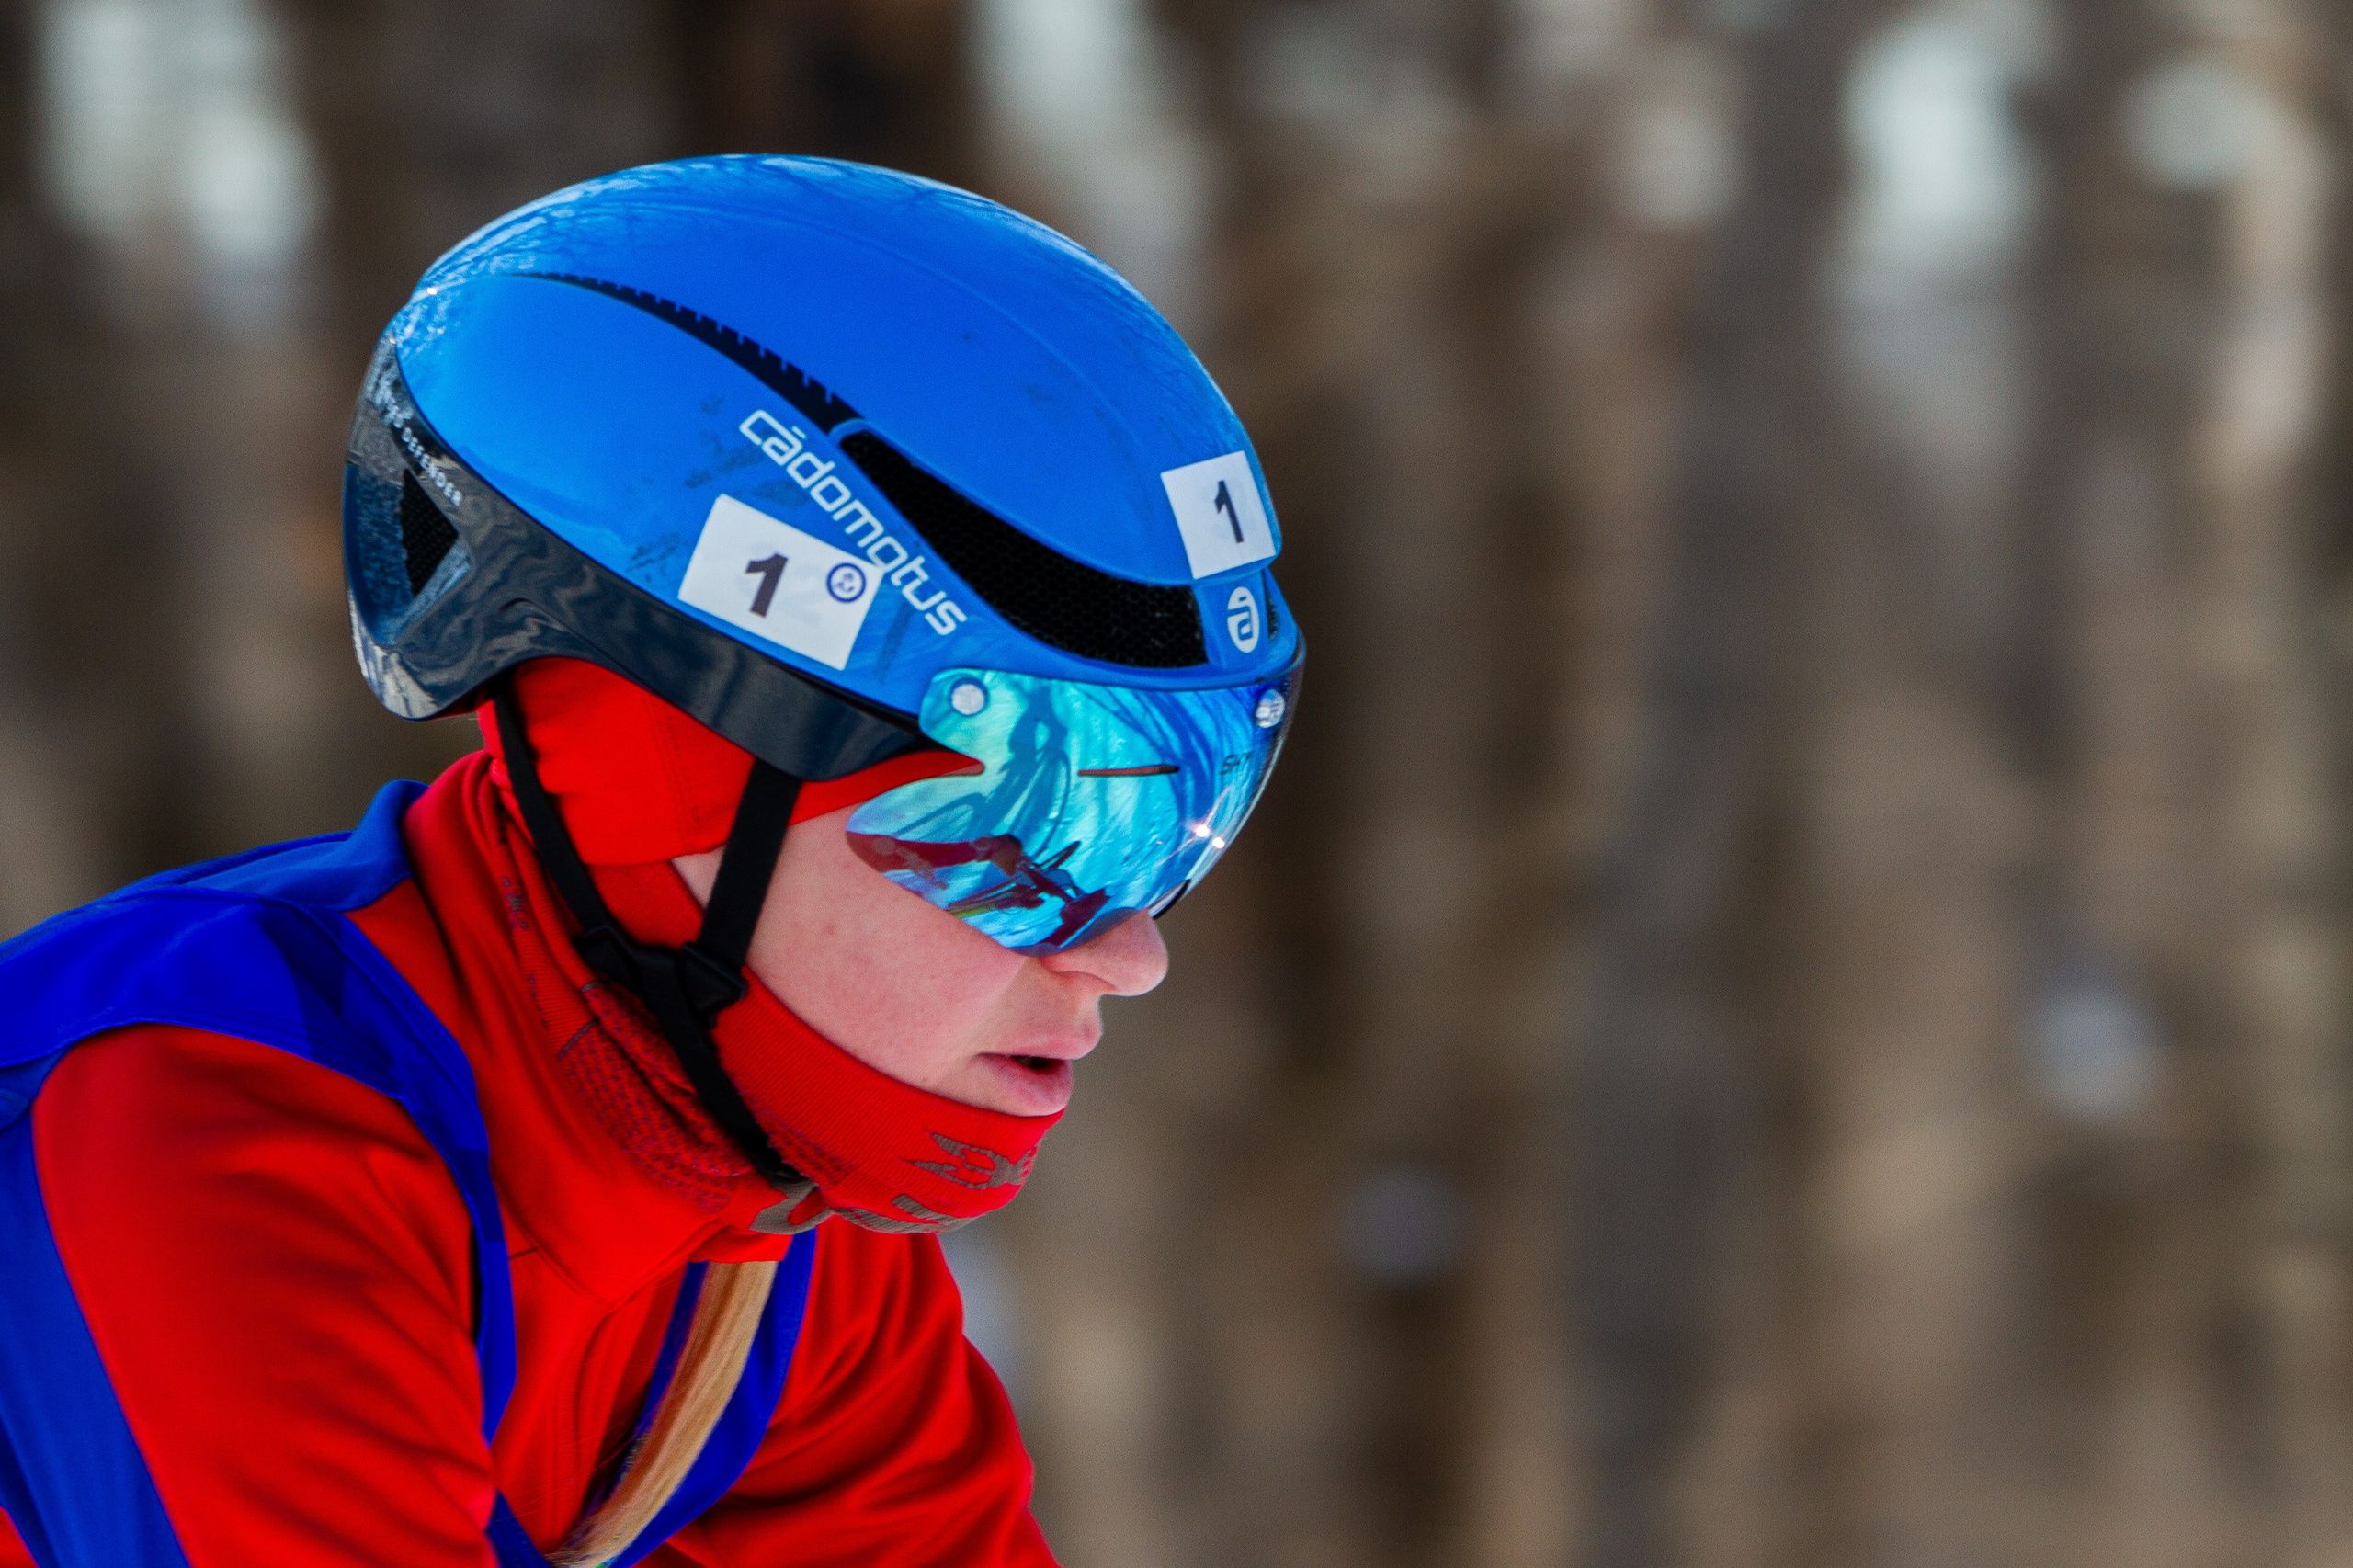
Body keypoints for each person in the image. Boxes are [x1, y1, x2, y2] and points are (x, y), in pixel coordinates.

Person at [0, 156, 1300, 1568]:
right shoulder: (198, 1131)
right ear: (676, 796)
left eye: (1191, 816)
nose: (1132, 947)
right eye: (1041, 831)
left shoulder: (783, 1238)